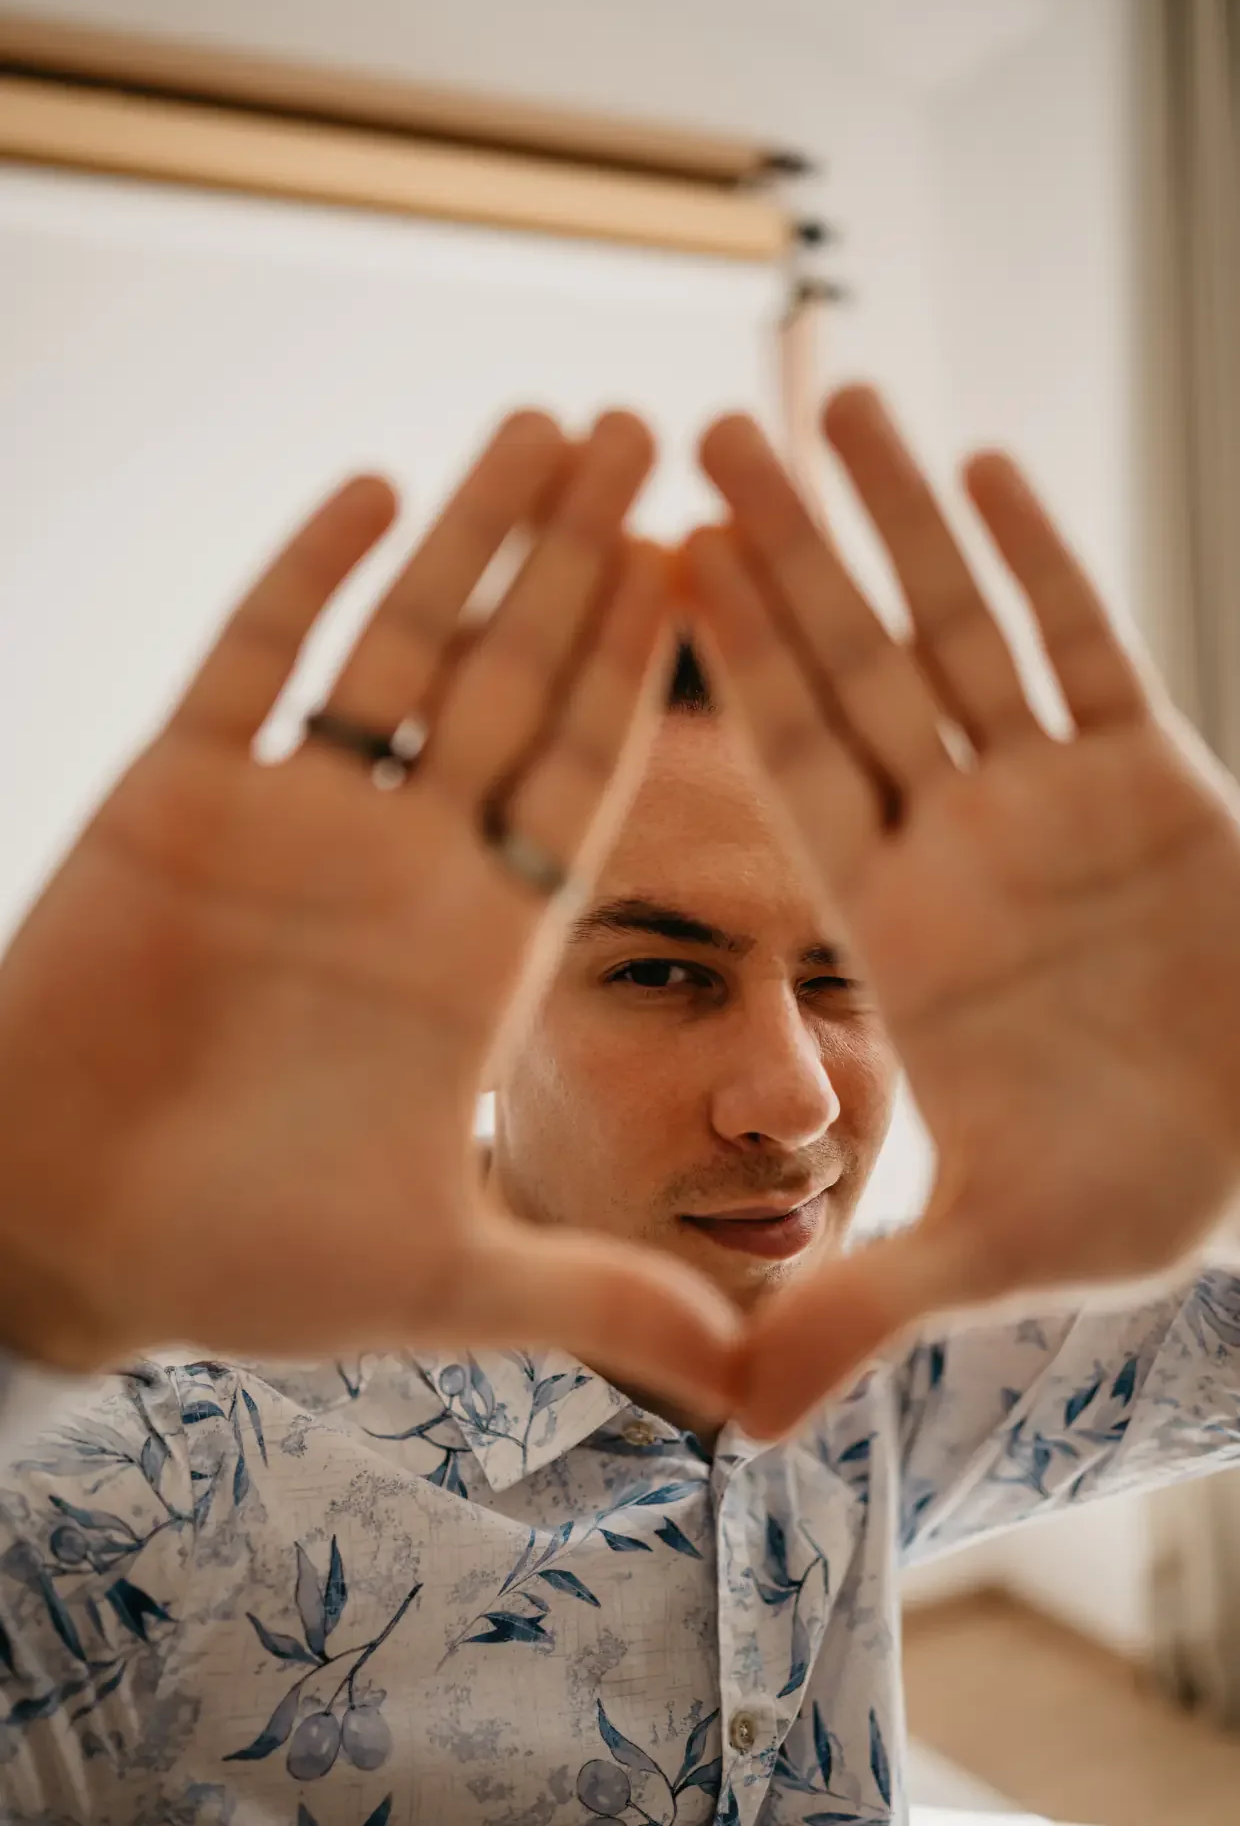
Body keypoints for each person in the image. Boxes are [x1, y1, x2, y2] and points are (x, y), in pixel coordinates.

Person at [1, 388, 1240, 1824]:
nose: (795, 1097)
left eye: (852, 978)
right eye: (660, 972)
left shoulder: (881, 1374)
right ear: (464, 1014)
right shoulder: (164, 1487)